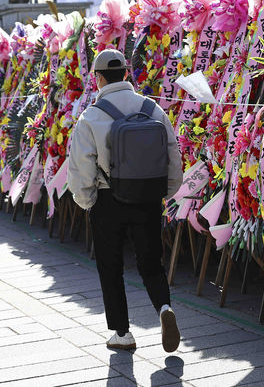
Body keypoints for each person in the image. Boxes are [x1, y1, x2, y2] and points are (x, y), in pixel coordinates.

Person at [68, 49, 183, 352]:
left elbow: (82, 166)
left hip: (109, 200)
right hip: (147, 196)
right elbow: (173, 155)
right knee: (150, 263)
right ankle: (164, 309)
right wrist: (164, 191)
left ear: (99, 77)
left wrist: (87, 201)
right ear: (126, 74)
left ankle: (122, 333)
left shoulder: (91, 116)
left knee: (111, 266)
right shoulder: (153, 109)